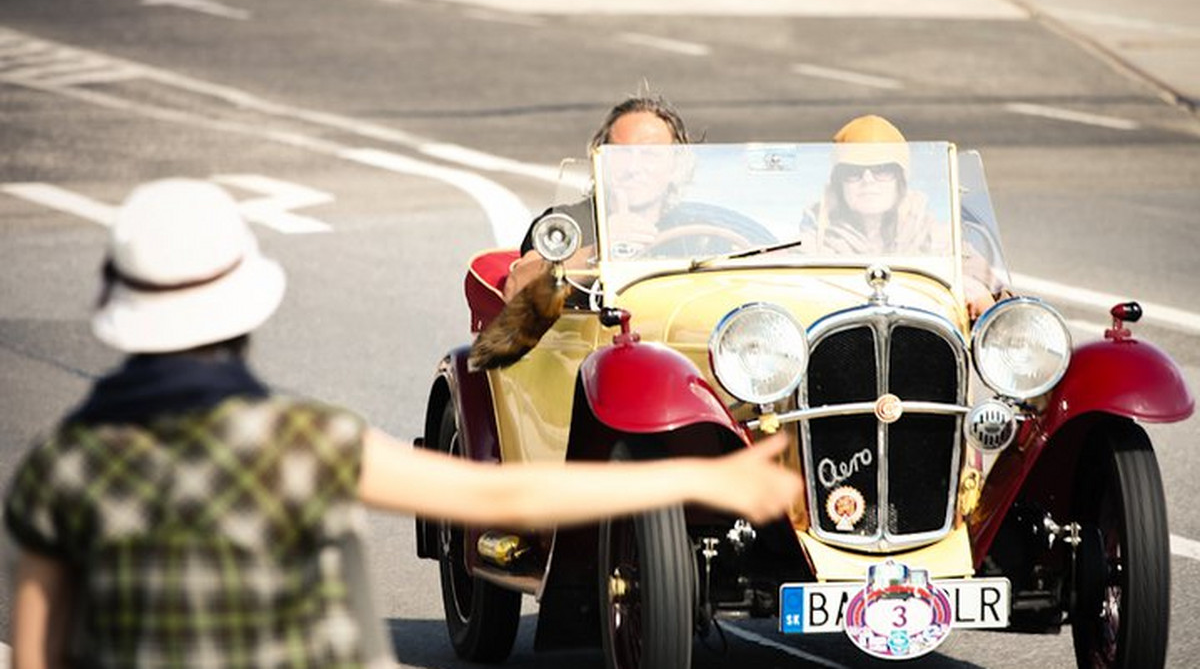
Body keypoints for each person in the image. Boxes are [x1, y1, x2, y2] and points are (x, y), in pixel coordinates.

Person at [4, 179, 802, 668]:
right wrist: (710, 475)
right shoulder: (301, 442)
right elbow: (490, 502)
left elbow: (39, 649)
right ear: (242, 314)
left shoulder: (60, 467)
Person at [807, 114, 1003, 318]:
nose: (868, 181)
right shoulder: (816, 235)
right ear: (839, 183)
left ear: (900, 180)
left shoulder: (933, 233)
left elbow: (997, 301)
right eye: (853, 172)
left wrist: (975, 289)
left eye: (882, 170)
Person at [502, 94, 690, 300]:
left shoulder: (698, 225)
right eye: (621, 154)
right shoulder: (567, 225)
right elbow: (515, 290)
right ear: (601, 161)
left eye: (650, 154)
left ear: (676, 165)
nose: (633, 168)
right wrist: (598, 250)